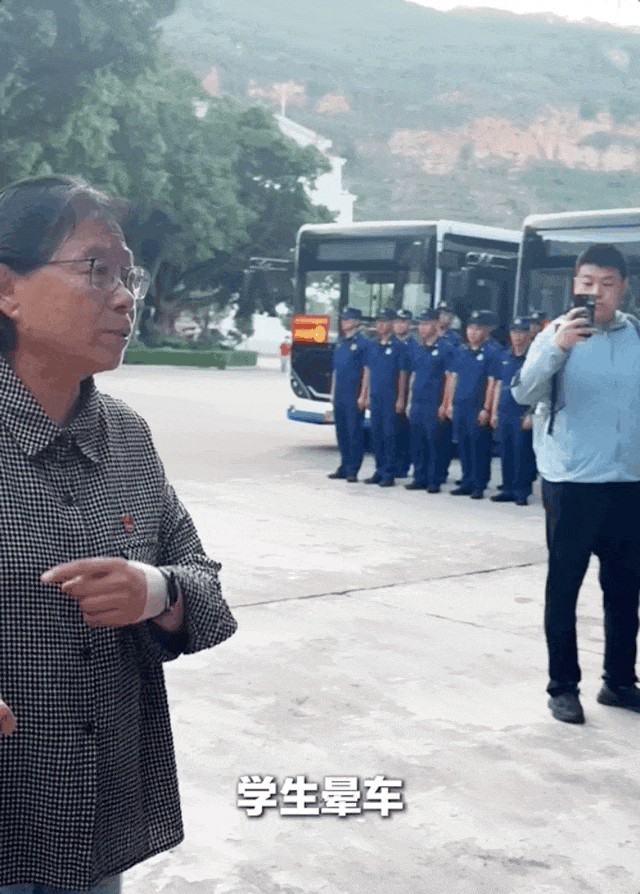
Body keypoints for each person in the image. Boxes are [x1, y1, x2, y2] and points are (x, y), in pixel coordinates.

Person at [0, 175, 237, 892]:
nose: (125, 296)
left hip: (96, 818)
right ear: (7, 290)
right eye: (96, 268)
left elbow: (205, 584)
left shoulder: (129, 437)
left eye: (128, 275)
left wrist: (157, 590)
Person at [512, 243, 640, 725]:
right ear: (575, 285)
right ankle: (563, 687)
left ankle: (619, 682)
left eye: (607, 284)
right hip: (572, 483)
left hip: (628, 483)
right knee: (564, 587)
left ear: (623, 288)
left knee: (625, 591)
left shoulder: (636, 336)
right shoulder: (555, 335)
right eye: (588, 283)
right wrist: (557, 348)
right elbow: (523, 392)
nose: (597, 293)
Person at [442, 309, 497, 499]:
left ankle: (478, 484)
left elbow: (492, 383)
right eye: (470, 328)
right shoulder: (462, 351)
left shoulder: (492, 352)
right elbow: (453, 378)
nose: (473, 332)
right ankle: (466, 481)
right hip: (460, 404)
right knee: (463, 445)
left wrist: (487, 408)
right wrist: (449, 403)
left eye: (478, 328)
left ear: (487, 330)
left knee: (479, 446)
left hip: (477, 406)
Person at [358, 308, 408, 487]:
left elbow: (403, 374)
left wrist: (401, 398)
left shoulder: (399, 346)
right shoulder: (372, 345)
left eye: (384, 321)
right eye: (378, 321)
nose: (380, 325)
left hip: (390, 397)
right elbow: (368, 371)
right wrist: (364, 395)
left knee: (389, 435)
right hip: (375, 397)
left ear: (392, 323)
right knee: (376, 435)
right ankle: (378, 471)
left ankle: (389, 473)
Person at [405, 309, 452, 493]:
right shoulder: (418, 348)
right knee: (417, 442)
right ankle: (419, 477)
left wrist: (445, 404)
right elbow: (413, 376)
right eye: (420, 324)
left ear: (436, 324)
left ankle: (434, 479)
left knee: (434, 442)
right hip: (418, 401)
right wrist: (409, 402)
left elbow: (449, 378)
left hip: (434, 402)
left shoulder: (445, 348)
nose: (422, 328)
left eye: (426, 324)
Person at [489, 318, 535, 506]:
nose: (517, 337)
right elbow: (498, 384)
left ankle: (521, 491)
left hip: (522, 411)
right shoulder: (504, 356)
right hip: (504, 410)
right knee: (505, 450)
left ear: (529, 335)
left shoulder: (533, 358)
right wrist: (493, 411)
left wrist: (531, 413)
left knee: (521, 452)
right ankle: (507, 488)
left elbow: (539, 387)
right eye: (514, 332)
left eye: (522, 332)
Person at [328, 306, 367, 482]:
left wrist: (363, 395)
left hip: (354, 393)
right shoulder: (340, 342)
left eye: (347, 319)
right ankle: (343, 466)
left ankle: (353, 469)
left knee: (354, 432)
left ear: (356, 322)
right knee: (341, 431)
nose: (344, 323)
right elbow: (335, 370)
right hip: (340, 393)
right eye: (343, 320)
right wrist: (332, 392)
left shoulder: (363, 343)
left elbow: (366, 371)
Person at [391, 308, 413, 478]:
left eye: (403, 322)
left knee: (404, 433)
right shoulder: (388, 343)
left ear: (409, 325)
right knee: (390, 433)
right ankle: (391, 465)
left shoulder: (413, 346)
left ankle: (402, 466)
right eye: (397, 321)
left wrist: (403, 398)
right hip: (388, 393)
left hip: (406, 395)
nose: (399, 325)